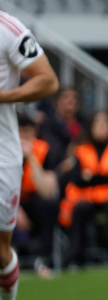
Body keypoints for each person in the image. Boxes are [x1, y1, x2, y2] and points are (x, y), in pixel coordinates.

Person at [0, 10, 58, 300]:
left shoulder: (7, 28)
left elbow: (47, 81)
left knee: (0, 252)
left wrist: (3, 97)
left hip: (1, 155)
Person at [58, 111, 108, 266]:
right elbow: (76, 179)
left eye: (105, 123)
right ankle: (76, 257)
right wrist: (104, 176)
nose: (101, 126)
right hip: (88, 198)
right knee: (79, 209)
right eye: (97, 123)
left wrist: (92, 177)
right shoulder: (81, 150)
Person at [18, 112, 60, 278]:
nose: (25, 138)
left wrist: (31, 158)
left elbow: (47, 190)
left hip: (33, 199)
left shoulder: (43, 149)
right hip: (9, 202)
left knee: (48, 206)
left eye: (29, 132)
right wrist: (15, 209)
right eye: (21, 133)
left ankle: (42, 259)